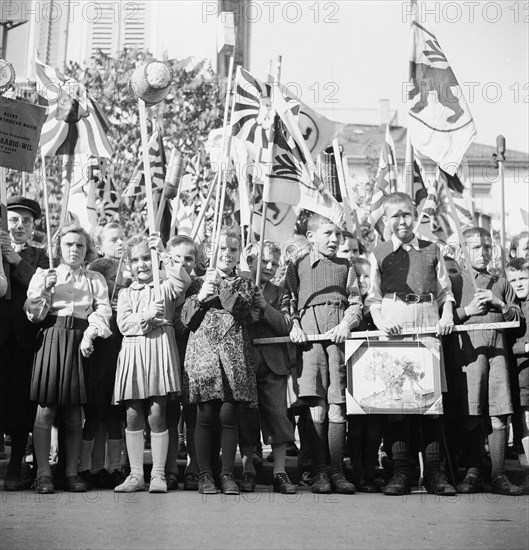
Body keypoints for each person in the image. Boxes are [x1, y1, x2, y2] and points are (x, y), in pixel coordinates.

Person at [364, 192, 456, 496]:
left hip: (428, 323)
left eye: (406, 214)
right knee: (397, 404)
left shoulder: (433, 249)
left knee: (429, 403)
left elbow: (445, 292)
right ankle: (401, 471)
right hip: (394, 324)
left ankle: (433, 473)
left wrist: (446, 314)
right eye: (395, 216)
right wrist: (380, 321)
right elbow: (372, 298)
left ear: (414, 215)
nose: (402, 221)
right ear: (386, 220)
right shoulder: (379, 253)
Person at [25, 225, 112, 494]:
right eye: (69, 244)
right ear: (58, 248)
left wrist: (91, 334)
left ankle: (72, 472)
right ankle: (43, 474)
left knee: (75, 412)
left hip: (80, 340)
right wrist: (45, 292)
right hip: (52, 337)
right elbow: (33, 314)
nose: (74, 249)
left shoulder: (95, 278)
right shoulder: (44, 275)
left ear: (87, 250)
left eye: (80, 245)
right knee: (47, 407)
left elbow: (103, 310)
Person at [283, 212, 362, 494]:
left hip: (337, 342)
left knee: (337, 405)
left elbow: (356, 303)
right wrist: (293, 324)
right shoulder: (298, 265)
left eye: (337, 234)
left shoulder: (346, 265)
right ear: (311, 237)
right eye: (328, 233)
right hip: (310, 342)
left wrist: (346, 323)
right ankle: (319, 473)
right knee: (316, 406)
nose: (334, 239)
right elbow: (287, 300)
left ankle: (337, 472)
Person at [113, 234, 191, 494]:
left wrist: (166, 255)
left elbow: (184, 280)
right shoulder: (125, 293)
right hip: (134, 352)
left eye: (147, 258)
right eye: (135, 260)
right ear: (128, 265)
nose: (142, 264)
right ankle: (136, 475)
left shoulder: (165, 286)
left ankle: (158, 474)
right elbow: (124, 325)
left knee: (158, 413)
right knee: (133, 413)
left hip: (159, 349)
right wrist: (147, 315)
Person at [448, 227, 523, 495]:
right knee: (471, 416)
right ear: (463, 251)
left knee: (499, 416)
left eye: (487, 247)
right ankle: (472, 471)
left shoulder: (501, 283)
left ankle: (499, 474)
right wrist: (467, 311)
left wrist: (500, 304)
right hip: (469, 357)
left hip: (498, 356)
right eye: (476, 247)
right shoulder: (455, 282)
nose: (483, 252)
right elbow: (443, 319)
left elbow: (518, 320)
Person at [182, 228, 257, 495]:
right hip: (204, 355)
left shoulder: (245, 283)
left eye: (232, 249)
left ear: (239, 256)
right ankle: (204, 474)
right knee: (205, 415)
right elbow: (187, 320)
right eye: (221, 248)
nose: (227, 253)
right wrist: (202, 295)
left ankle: (227, 474)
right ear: (208, 253)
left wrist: (222, 286)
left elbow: (242, 310)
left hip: (232, 356)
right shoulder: (196, 283)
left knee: (228, 414)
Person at [239, 241, 297, 494]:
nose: (271, 267)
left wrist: (265, 308)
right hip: (246, 360)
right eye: (264, 262)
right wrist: (246, 315)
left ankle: (280, 472)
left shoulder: (280, 291)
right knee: (247, 416)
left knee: (277, 415)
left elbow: (286, 324)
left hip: (274, 363)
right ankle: (249, 469)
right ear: (250, 262)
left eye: (275, 263)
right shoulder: (238, 285)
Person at [0, 196, 49, 491]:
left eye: (26, 222)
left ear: (33, 227)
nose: (19, 226)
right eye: (14, 220)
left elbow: (43, 285)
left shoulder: (39, 256)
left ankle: (17, 465)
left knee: (21, 402)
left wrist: (16, 261)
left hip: (23, 339)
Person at [78, 222, 127, 489]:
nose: (120, 243)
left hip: (125, 342)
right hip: (102, 342)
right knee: (95, 407)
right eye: (113, 239)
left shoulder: (133, 269)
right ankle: (88, 466)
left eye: (123, 239)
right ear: (98, 246)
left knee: (116, 410)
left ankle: (115, 466)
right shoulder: (95, 270)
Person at [347, 257, 384, 492]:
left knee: (375, 425)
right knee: (357, 425)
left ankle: (372, 468)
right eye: (357, 276)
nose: (362, 281)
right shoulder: (349, 308)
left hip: (378, 373)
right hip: (355, 373)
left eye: (367, 276)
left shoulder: (378, 307)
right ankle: (357, 470)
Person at [506, 258, 529, 493]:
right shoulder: (511, 308)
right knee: (524, 428)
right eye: (513, 280)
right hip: (519, 376)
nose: (518, 284)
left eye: (523, 278)